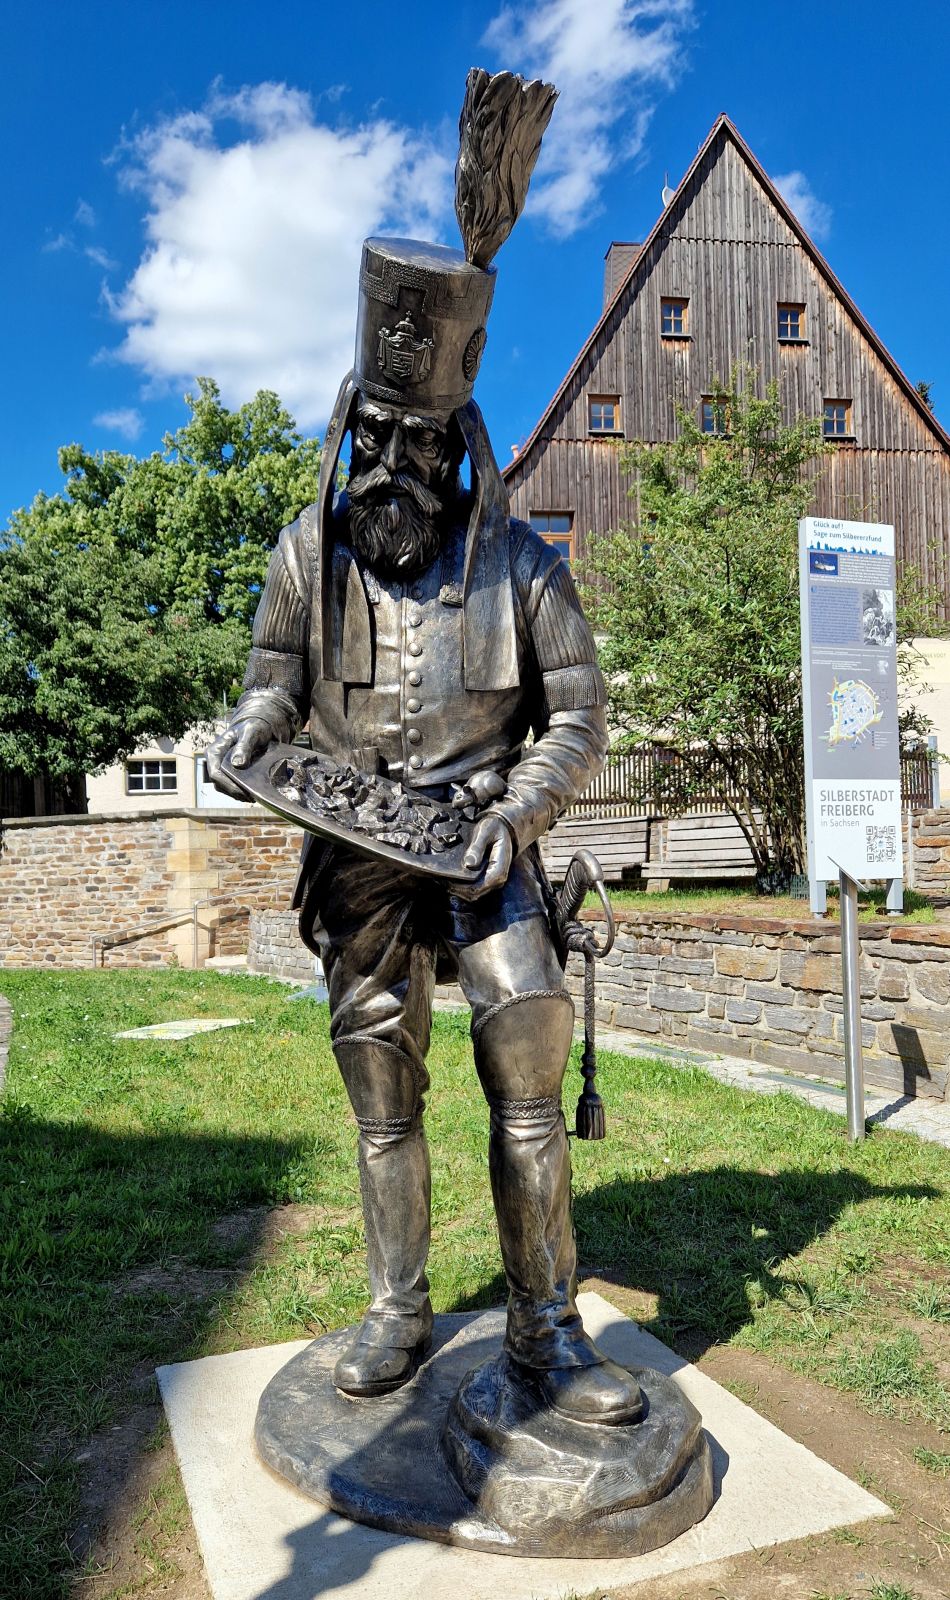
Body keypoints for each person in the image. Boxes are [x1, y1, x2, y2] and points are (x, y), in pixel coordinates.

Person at [208, 70, 642, 1427]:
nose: (396, 468)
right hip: (355, 867)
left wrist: (516, 818)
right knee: (381, 1104)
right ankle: (399, 1307)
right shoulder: (302, 556)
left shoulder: (520, 565)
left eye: (422, 444)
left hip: (486, 853)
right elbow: (271, 692)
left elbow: (575, 712)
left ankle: (545, 1329)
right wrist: (250, 735)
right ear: (351, 436)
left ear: (460, 448)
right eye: (376, 441)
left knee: (523, 1064)